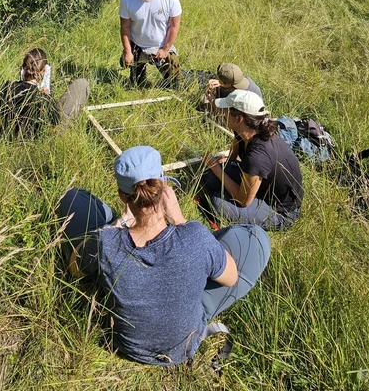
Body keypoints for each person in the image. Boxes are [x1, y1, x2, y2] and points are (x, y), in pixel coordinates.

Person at [57, 146, 271, 366]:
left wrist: (118, 224)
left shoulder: (106, 243)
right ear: (164, 186)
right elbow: (231, 277)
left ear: (122, 195)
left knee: (73, 198)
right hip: (183, 346)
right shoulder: (196, 236)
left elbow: (75, 268)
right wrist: (180, 220)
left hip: (126, 346)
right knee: (254, 237)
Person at [199, 90, 303, 231]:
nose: (222, 114)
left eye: (226, 110)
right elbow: (236, 143)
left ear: (238, 118)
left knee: (219, 203)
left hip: (279, 210)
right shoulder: (249, 129)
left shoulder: (257, 156)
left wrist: (215, 167)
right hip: (261, 186)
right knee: (208, 176)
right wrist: (229, 162)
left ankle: (272, 219)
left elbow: (243, 200)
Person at [0, 47, 89, 139]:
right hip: (36, 139)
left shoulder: (6, 87)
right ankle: (59, 135)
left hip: (8, 135)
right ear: (44, 71)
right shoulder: (43, 99)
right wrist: (48, 96)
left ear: (23, 68)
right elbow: (54, 121)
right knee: (81, 84)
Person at [119, 0, 183, 88]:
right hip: (137, 45)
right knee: (136, 84)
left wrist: (165, 49)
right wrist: (128, 52)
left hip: (161, 45)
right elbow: (125, 27)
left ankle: (171, 78)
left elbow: (174, 26)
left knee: (174, 85)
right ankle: (138, 71)